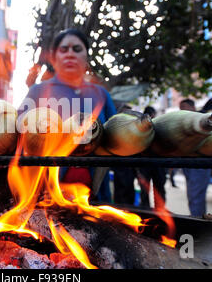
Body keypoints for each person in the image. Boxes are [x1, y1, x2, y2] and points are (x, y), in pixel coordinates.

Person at [18, 28, 117, 202]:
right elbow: (15, 136)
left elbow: (117, 139)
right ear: (54, 58)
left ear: (86, 58)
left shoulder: (101, 95)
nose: (70, 54)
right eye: (64, 49)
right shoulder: (38, 91)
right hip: (44, 196)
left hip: (95, 198)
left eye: (77, 49)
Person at [179, 98, 212, 217]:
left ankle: (198, 221)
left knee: (195, 196)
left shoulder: (202, 120)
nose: (181, 110)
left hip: (200, 162)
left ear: (192, 107)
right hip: (188, 162)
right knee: (193, 195)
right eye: (180, 108)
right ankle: (198, 218)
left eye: (184, 107)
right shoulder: (184, 122)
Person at [136, 106, 167, 209]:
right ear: (153, 115)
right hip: (157, 163)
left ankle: (146, 208)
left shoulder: (139, 128)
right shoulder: (160, 126)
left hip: (144, 162)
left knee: (146, 188)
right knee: (158, 188)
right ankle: (160, 210)